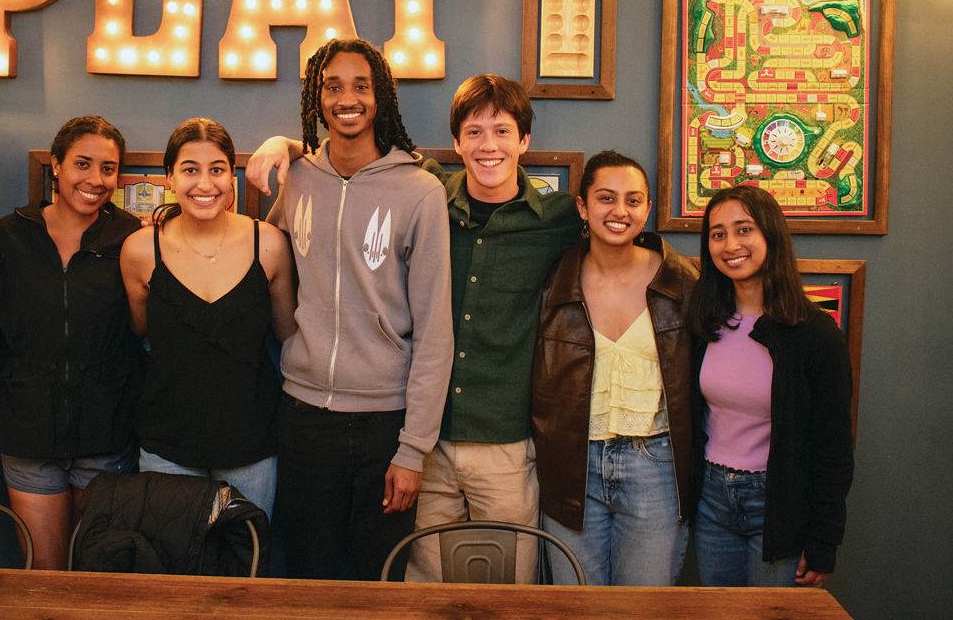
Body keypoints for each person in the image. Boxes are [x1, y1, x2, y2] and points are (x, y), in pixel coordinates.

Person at [246, 75, 576, 583]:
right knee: (418, 585)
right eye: (474, 132)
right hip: (426, 439)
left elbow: (616, 230)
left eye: (503, 132)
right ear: (457, 141)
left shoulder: (557, 219)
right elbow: (352, 148)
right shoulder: (427, 191)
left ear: (524, 140)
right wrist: (285, 144)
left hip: (505, 443)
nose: (489, 146)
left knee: (510, 588)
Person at [251, 38, 454, 580]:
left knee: (377, 580)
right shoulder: (298, 180)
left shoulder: (420, 191)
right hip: (303, 416)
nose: (347, 98)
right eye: (332, 86)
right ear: (317, 99)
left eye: (361, 86)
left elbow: (436, 331)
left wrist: (413, 450)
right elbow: (261, 260)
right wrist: (286, 147)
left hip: (385, 424)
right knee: (307, 575)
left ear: (380, 97)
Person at [531, 150, 696, 586]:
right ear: (583, 206)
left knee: (642, 611)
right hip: (572, 465)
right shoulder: (553, 282)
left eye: (634, 200)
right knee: (574, 607)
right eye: (606, 198)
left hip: (656, 468)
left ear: (647, 209)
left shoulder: (681, 282)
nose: (620, 211)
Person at [119, 118, 297, 519]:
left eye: (217, 169)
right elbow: (140, 331)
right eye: (190, 170)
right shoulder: (140, 251)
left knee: (245, 567)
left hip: (252, 446)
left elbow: (290, 339)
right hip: (167, 446)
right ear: (169, 177)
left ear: (232, 176)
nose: (204, 183)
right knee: (173, 570)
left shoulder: (267, 244)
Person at [0, 116, 143, 570]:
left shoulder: (133, 237)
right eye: (83, 163)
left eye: (109, 168)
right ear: (56, 165)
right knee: (46, 575)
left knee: (99, 577)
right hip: (29, 430)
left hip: (106, 431)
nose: (96, 180)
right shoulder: (7, 236)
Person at [689, 185, 854, 587]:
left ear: (771, 235)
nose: (731, 244)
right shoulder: (704, 320)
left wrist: (823, 541)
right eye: (718, 233)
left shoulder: (815, 332)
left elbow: (833, 447)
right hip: (711, 500)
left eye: (744, 230)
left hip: (778, 503)